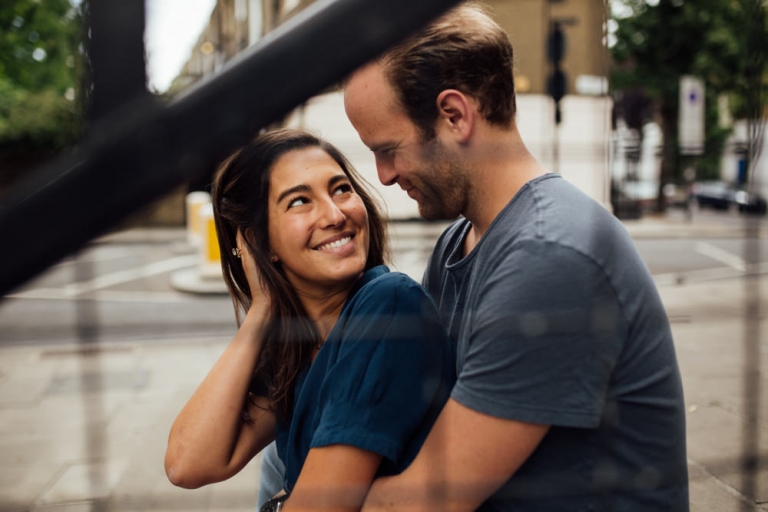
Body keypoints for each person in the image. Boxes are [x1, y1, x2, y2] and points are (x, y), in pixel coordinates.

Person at [344, 2, 689, 510]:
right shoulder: (458, 242)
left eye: (388, 148)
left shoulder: (549, 253)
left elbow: (428, 502)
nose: (384, 175)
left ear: (454, 116)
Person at [164, 129, 454, 512]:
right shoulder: (300, 347)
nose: (335, 215)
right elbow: (188, 464)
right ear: (260, 243)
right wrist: (261, 310)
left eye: (341, 189)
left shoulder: (388, 304)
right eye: (300, 201)